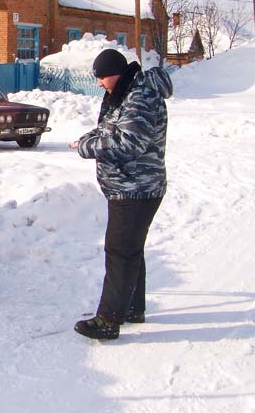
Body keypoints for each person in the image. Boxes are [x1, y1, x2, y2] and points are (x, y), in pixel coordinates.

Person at [69, 48, 173, 340]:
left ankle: (109, 319)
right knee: (130, 250)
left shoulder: (140, 98)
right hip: (130, 186)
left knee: (119, 251)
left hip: (136, 188)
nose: (100, 83)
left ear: (116, 73)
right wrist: (88, 137)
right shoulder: (127, 93)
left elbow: (128, 145)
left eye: (102, 78)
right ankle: (131, 309)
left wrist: (87, 149)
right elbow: (110, 130)